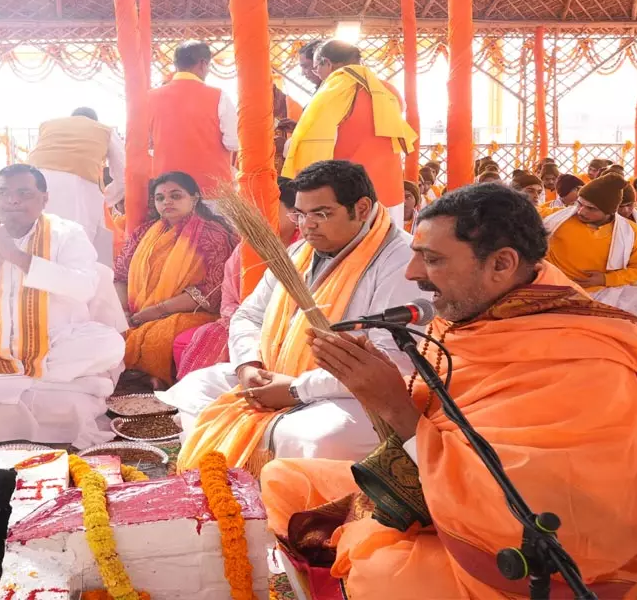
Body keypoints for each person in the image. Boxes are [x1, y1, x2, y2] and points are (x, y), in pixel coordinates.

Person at [261, 183, 637, 599]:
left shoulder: (589, 359)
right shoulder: (484, 313)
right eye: (418, 252)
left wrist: (394, 405)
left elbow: (533, 506)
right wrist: (379, 384)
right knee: (285, 480)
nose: (412, 272)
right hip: (449, 494)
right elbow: (461, 422)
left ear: (502, 264)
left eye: (434, 259)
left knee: (380, 572)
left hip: (546, 556)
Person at [163, 160, 423, 470]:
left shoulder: (401, 260)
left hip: (349, 394)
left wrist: (296, 389)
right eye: (300, 214)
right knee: (196, 389)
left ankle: (278, 493)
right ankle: (227, 481)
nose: (307, 225)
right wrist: (249, 365)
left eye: (321, 214)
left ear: (363, 208)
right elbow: (249, 314)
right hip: (276, 375)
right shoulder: (299, 252)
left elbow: (391, 360)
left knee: (322, 438)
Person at [0, 164, 125, 447]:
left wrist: (19, 258)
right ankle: (34, 383)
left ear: (44, 199)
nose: (13, 200)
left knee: (108, 344)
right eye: (4, 193)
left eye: (24, 192)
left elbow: (83, 287)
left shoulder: (68, 233)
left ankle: (0, 384)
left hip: (53, 343)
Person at [114, 172, 237, 386]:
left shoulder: (213, 234)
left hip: (192, 311)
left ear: (195, 198)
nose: (167, 201)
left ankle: (153, 382)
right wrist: (123, 312)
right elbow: (120, 276)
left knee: (157, 337)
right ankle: (140, 381)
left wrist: (156, 311)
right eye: (160, 198)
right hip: (136, 312)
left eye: (176, 195)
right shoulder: (143, 232)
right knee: (108, 328)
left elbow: (211, 291)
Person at [173, 178, 300, 381]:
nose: (257, 216)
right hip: (242, 321)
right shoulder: (244, 250)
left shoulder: (303, 250)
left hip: (289, 328)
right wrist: (240, 321)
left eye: (267, 208)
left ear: (295, 213)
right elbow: (228, 300)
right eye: (252, 209)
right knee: (210, 336)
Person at [282, 41, 418, 226]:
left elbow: (311, 141)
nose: (317, 75)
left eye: (315, 68)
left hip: (350, 194)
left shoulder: (334, 90)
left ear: (327, 63)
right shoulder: (387, 90)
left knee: (353, 252)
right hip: (390, 189)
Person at [544, 173, 637, 327]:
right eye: (579, 204)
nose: (581, 211)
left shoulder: (631, 232)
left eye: (591, 209)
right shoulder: (554, 220)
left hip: (607, 292)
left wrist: (606, 279)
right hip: (557, 292)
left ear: (609, 212)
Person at [148, 41, 239, 200]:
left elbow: (146, 145)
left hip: (167, 194)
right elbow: (232, 142)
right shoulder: (219, 96)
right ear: (203, 64)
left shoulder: (150, 98)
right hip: (211, 191)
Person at [27, 107, 126, 244]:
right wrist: (107, 198)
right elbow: (123, 174)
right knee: (84, 243)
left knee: (38, 240)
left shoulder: (47, 126)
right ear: (94, 121)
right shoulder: (104, 130)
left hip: (34, 184)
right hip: (78, 187)